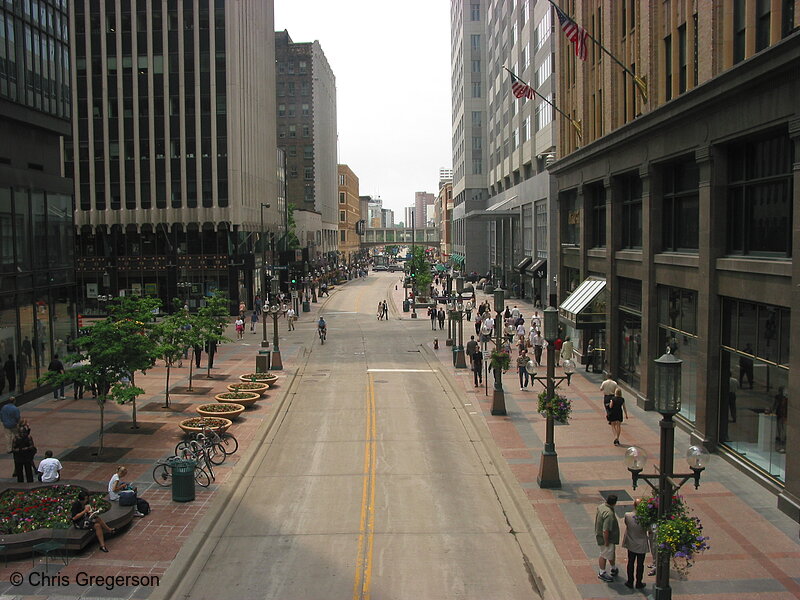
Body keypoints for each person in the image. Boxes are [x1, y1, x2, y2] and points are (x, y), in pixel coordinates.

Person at [622, 499, 649, 589]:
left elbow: (627, 525)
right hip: (641, 544)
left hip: (631, 543)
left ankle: (630, 581)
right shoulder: (646, 518)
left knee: (630, 562)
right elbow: (650, 530)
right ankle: (639, 582)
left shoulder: (627, 515)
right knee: (640, 564)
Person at [595, 493, 620, 582]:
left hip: (601, 535)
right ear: (614, 503)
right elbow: (606, 530)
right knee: (604, 554)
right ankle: (602, 572)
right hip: (607, 538)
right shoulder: (609, 514)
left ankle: (613, 568)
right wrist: (606, 541)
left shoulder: (601, 507)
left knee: (610, 552)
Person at [771, 386, 788, 452]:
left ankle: (782, 438)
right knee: (780, 426)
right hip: (780, 414)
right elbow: (775, 404)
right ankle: (781, 438)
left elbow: (775, 404)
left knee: (781, 427)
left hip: (782, 415)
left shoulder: (784, 399)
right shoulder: (780, 398)